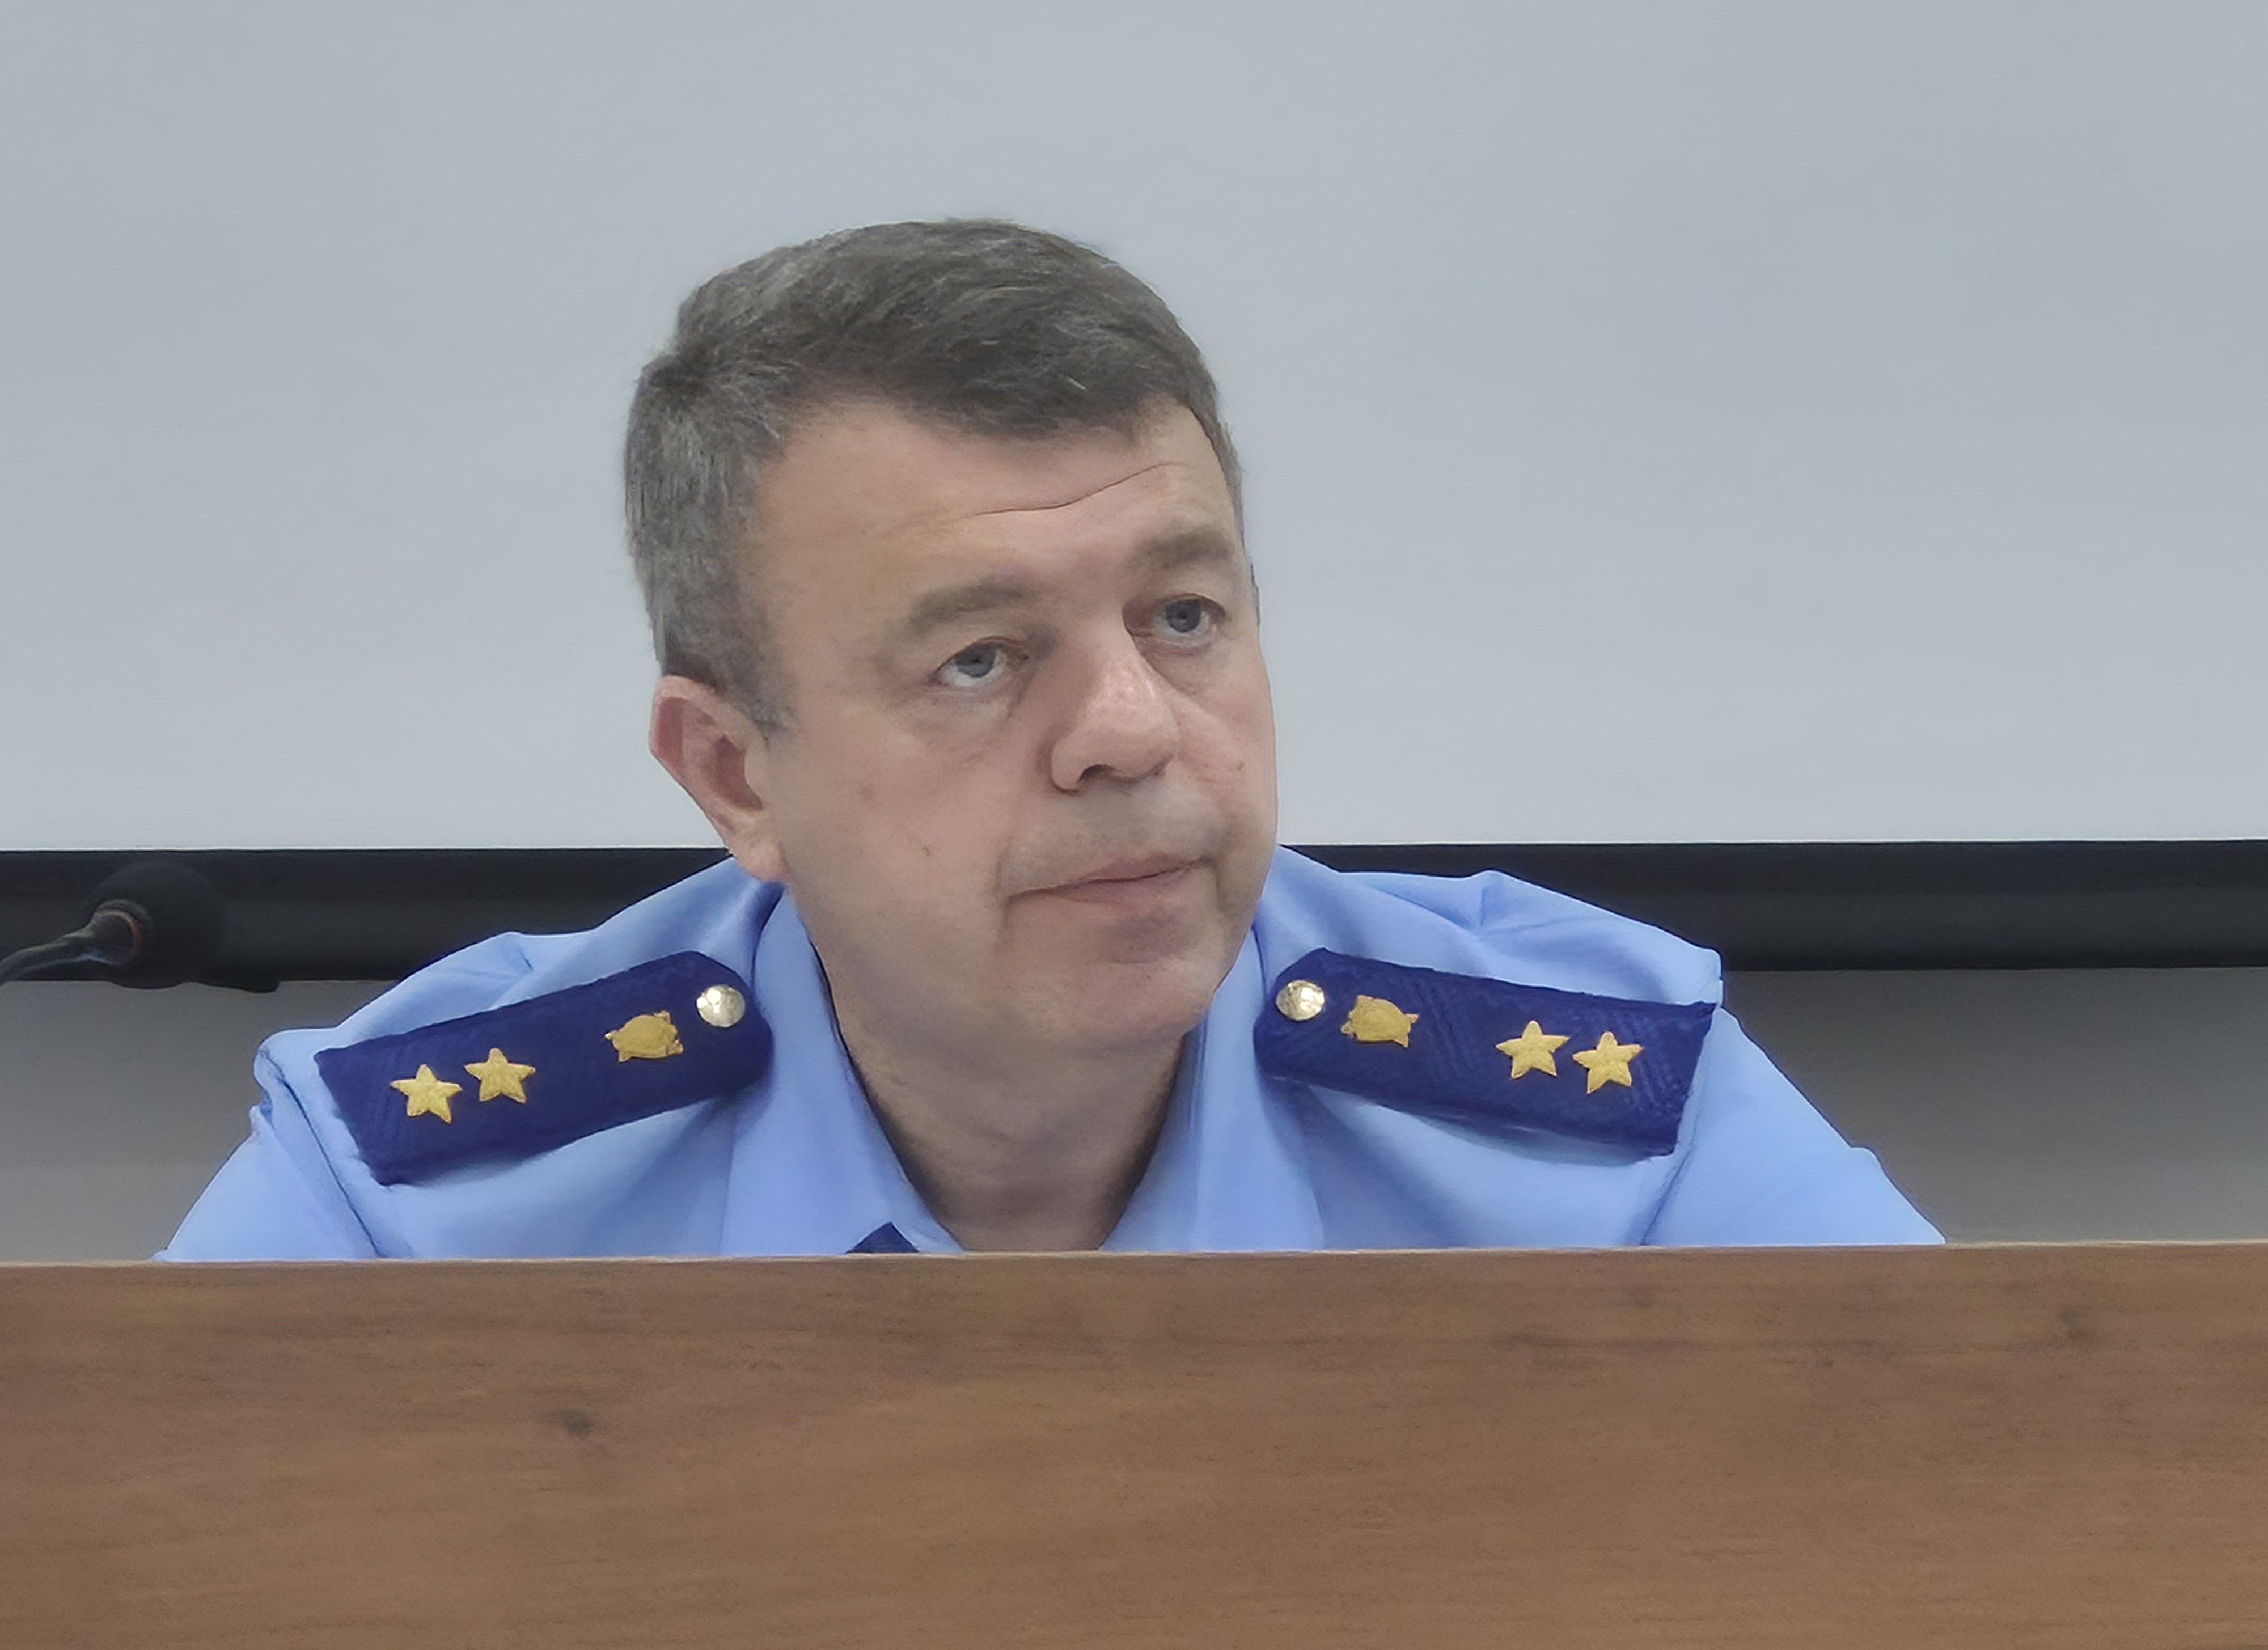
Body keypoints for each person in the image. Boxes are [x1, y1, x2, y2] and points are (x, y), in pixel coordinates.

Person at [164, 221, 1937, 1260]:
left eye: (1185, 617)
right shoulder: (424, 1197)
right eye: (980, 660)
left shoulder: (1609, 1132)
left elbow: (2005, 1523)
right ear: (734, 773)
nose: (1129, 732)